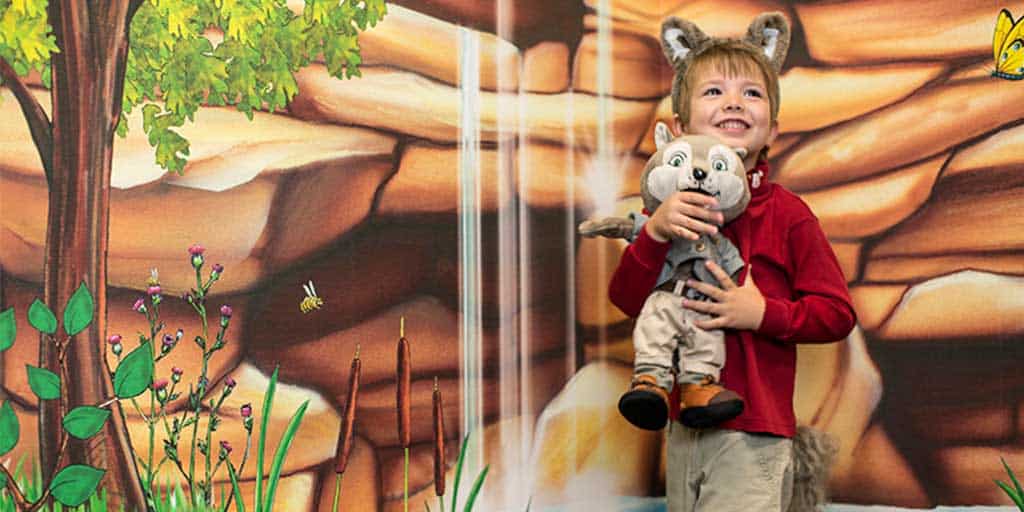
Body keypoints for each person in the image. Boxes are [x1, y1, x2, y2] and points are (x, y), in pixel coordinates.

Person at [607, 12, 857, 510]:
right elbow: (626, 299)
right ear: (678, 128)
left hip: (755, 432)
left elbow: (837, 312)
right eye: (714, 92)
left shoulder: (787, 215)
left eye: (751, 93)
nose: (734, 102)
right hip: (684, 427)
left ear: (773, 131)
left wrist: (762, 313)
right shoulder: (665, 212)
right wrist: (653, 234)